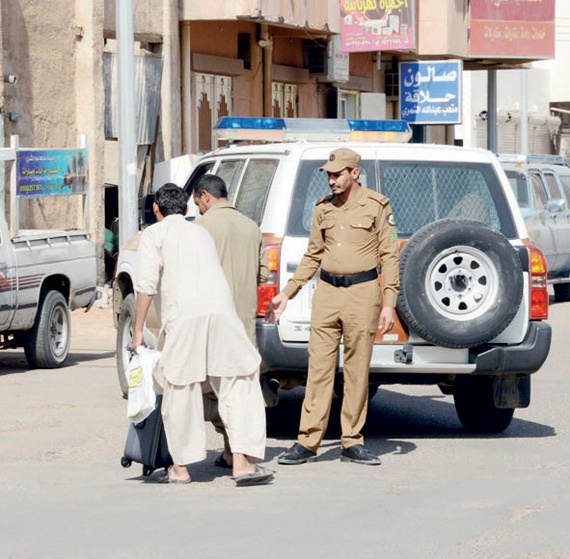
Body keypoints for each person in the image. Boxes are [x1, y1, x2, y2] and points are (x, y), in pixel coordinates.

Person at [132, 183, 273, 486]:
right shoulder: (200, 232)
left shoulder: (153, 235)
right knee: (238, 380)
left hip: (184, 316)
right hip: (223, 313)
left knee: (180, 385)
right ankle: (243, 463)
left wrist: (137, 333)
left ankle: (180, 468)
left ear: (157, 210)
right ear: (185, 209)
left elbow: (144, 286)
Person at [265, 148, 399, 466]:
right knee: (319, 370)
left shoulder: (377, 205)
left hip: (363, 294)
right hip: (326, 292)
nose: (331, 180)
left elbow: (389, 255)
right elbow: (313, 254)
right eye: (328, 174)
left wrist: (389, 303)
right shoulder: (323, 208)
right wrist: (288, 292)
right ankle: (308, 441)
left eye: (337, 174)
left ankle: (352, 441)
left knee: (355, 371)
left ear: (355, 173)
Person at [192, 174, 272, 471]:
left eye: (198, 202)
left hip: (212, 322)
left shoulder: (201, 228)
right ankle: (238, 453)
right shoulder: (251, 227)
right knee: (243, 389)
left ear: (205, 196)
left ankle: (232, 451)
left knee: (214, 391)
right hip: (244, 323)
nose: (199, 208)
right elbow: (262, 275)